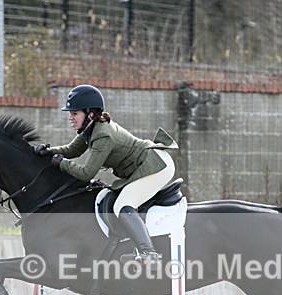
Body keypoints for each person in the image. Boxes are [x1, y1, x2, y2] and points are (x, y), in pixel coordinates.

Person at [35, 84, 178, 262]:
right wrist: (49, 151)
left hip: (156, 166)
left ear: (90, 114)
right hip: (147, 163)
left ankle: (149, 254)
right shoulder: (91, 129)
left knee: (122, 205)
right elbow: (72, 150)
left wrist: (61, 163)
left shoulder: (103, 135)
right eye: (70, 113)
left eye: (75, 113)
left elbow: (87, 173)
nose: (70, 118)